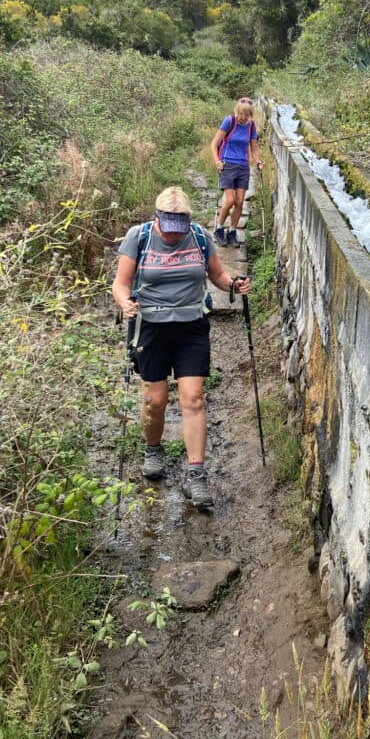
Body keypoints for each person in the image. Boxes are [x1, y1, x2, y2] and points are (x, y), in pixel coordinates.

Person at [112, 186, 251, 509]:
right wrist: (125, 302)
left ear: (188, 221)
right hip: (150, 327)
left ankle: (196, 473)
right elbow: (120, 282)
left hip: (191, 325)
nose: (174, 236)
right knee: (154, 400)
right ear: (157, 218)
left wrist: (232, 284)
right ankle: (153, 448)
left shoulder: (200, 236)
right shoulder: (139, 237)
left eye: (180, 229)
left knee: (193, 398)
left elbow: (216, 274)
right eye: (169, 229)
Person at [209, 97, 263, 248]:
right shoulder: (229, 121)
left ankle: (232, 232)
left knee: (239, 202)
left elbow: (254, 148)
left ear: (250, 115)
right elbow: (214, 144)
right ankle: (219, 229)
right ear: (237, 111)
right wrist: (216, 161)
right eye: (241, 114)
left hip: (243, 166)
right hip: (227, 164)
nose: (243, 118)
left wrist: (258, 161)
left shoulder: (251, 126)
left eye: (246, 115)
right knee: (230, 200)